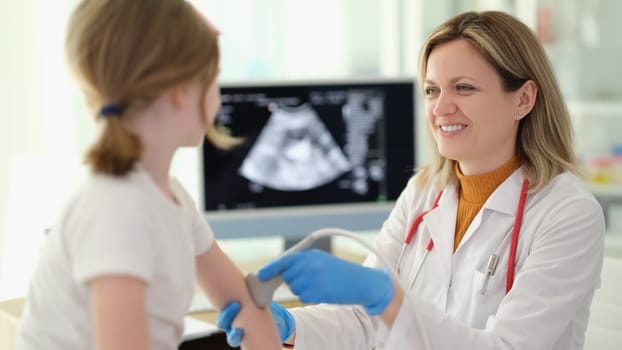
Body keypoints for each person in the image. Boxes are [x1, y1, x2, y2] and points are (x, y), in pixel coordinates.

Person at [217, 10, 606, 349]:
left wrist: (386, 299)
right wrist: (290, 326)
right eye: (432, 90)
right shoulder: (424, 192)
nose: (441, 107)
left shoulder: (567, 214)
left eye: (464, 88)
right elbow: (362, 323)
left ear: (523, 99)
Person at [15, 1, 281, 349]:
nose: (218, 98)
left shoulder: (173, 200)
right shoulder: (115, 208)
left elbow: (243, 303)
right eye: (213, 79)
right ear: (182, 91)